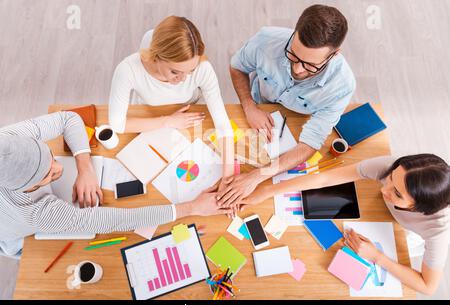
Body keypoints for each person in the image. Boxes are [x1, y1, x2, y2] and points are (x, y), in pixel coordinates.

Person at [0, 112, 231, 258]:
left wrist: (85, 167)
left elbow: (68, 118)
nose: (58, 168)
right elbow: (120, 220)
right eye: (49, 174)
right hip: (12, 233)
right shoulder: (34, 215)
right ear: (26, 189)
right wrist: (192, 208)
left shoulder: (8, 139)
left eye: (51, 156)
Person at [238, 154, 450, 295]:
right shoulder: (389, 168)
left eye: (396, 193)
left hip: (409, 234)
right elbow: (324, 179)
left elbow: (427, 287)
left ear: (418, 207)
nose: (384, 189)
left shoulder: (438, 230)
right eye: (390, 179)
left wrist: (377, 257)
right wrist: (266, 191)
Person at [218, 4, 356, 207]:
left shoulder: (342, 86)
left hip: (296, 122)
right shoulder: (266, 40)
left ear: (334, 55)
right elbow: (237, 66)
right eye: (293, 55)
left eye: (310, 65)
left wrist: (257, 176)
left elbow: (310, 143)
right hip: (258, 106)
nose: (298, 69)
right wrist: (249, 106)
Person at [108, 15, 235, 182]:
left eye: (190, 71)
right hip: (149, 113)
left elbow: (223, 125)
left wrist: (228, 179)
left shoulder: (203, 68)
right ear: (156, 56)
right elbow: (117, 124)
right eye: (175, 72)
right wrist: (168, 121)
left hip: (187, 111)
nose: (183, 79)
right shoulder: (128, 69)